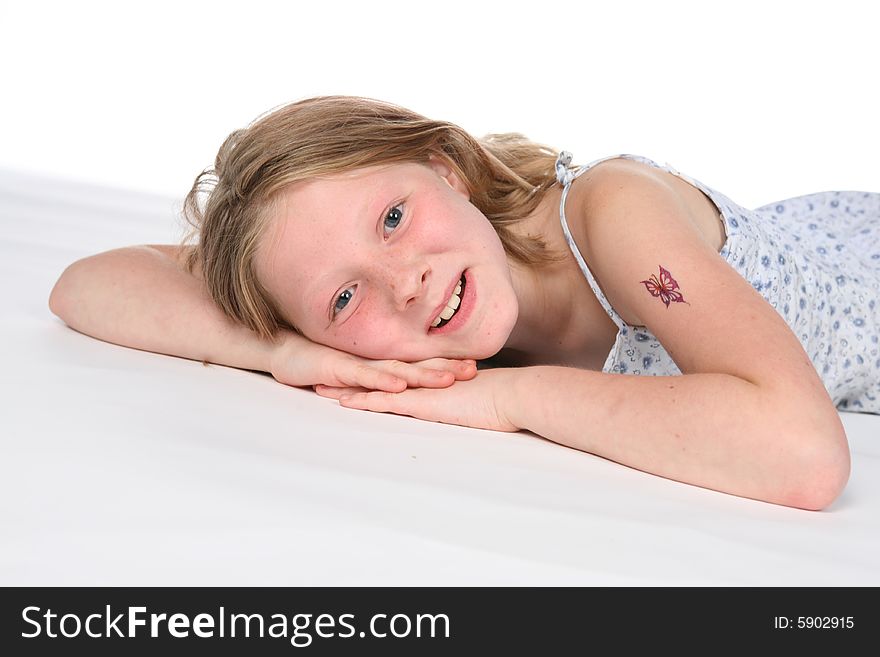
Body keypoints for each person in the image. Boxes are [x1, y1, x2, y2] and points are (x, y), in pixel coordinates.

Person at [49, 95, 874, 511]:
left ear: (445, 166)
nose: (401, 279)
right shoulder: (349, 309)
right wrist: (287, 352)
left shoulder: (613, 214)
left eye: (394, 218)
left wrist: (505, 397)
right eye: (342, 296)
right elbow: (85, 284)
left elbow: (804, 455)